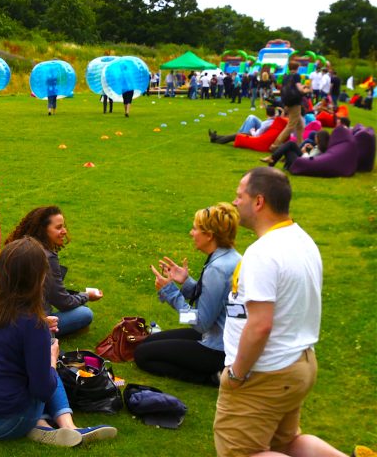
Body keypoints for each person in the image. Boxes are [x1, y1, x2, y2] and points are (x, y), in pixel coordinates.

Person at [214, 167, 345, 457]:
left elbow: (260, 325)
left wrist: (236, 374)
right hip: (298, 363)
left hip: (266, 373)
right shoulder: (301, 239)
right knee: (286, 443)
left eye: (240, 196)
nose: (235, 202)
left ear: (258, 202)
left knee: (241, 452)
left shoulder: (264, 253)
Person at [0, 237, 117, 447]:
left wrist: (38, 327)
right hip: (5, 422)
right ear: (39, 278)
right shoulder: (33, 325)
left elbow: (7, 328)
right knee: (48, 368)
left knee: (22, 368)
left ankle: (44, 426)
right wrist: (50, 358)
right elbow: (42, 390)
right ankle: (67, 426)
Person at [135, 203, 241, 385]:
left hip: (219, 349)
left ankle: (212, 377)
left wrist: (170, 292)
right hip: (224, 337)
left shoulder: (217, 269)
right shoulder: (232, 257)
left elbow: (199, 324)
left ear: (209, 235)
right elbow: (218, 302)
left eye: (195, 229)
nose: (191, 233)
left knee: (142, 355)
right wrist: (187, 282)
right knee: (147, 342)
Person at [4, 206, 99, 336]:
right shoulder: (46, 257)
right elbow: (63, 302)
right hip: (32, 323)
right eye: (58, 227)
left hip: (3, 318)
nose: (64, 231)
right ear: (43, 230)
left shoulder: (14, 248)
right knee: (84, 313)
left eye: (63, 226)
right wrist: (87, 296)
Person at [270, 72, 306, 151]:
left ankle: (300, 145)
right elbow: (300, 89)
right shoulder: (296, 76)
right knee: (291, 126)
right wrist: (306, 89)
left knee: (300, 126)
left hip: (288, 102)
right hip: (295, 103)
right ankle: (275, 145)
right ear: (297, 67)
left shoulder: (286, 77)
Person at [209, 106, 281, 144]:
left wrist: (252, 131)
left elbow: (257, 135)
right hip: (264, 133)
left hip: (256, 136)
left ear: (266, 114)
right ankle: (215, 137)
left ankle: (216, 140)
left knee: (235, 136)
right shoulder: (276, 121)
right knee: (251, 117)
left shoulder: (266, 123)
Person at [262, 130, 329, 169]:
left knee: (288, 148)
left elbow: (309, 160)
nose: (315, 139)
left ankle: (272, 160)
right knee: (290, 144)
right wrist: (312, 148)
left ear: (320, 139)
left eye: (316, 137)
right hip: (303, 162)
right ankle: (273, 160)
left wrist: (304, 152)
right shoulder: (322, 147)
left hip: (303, 164)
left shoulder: (319, 149)